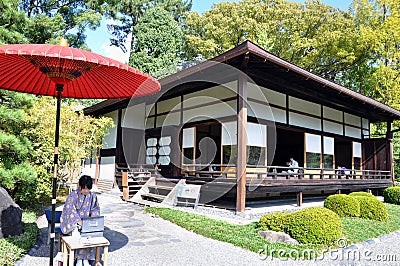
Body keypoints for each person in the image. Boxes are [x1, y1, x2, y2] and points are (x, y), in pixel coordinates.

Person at [60, 175, 100, 266]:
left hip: (86, 222)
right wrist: (78, 221)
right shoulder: (73, 195)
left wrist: (91, 220)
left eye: (88, 189)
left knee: (88, 234)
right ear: (79, 186)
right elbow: (69, 210)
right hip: (72, 223)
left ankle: (85, 259)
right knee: (77, 234)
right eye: (84, 188)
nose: (86, 191)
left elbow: (95, 209)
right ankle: (78, 260)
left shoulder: (92, 196)